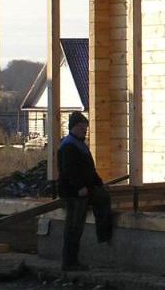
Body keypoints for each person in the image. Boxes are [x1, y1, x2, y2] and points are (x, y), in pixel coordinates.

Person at [57, 111, 112, 272]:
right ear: (73, 127)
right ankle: (69, 262)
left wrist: (99, 184)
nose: (84, 130)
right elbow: (69, 171)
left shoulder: (80, 145)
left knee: (102, 198)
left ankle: (103, 234)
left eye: (85, 127)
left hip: (84, 190)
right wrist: (79, 187)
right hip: (74, 193)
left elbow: (90, 170)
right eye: (81, 127)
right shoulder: (69, 146)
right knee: (74, 227)